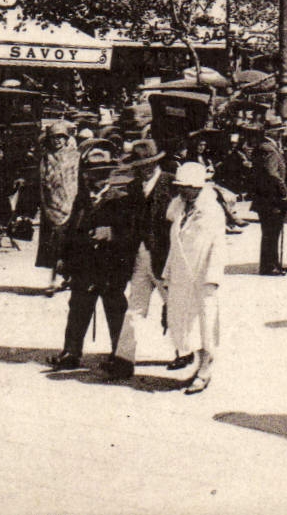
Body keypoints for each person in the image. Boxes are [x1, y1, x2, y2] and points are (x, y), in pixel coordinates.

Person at [48, 156, 133, 371]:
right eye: (92, 173)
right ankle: (71, 352)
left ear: (109, 174)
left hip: (111, 264)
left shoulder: (122, 198)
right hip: (84, 263)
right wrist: (64, 257)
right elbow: (71, 230)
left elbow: (132, 231)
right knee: (78, 306)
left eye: (102, 173)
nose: (95, 178)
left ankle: (120, 355)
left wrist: (112, 233)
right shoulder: (81, 198)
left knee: (115, 308)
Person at [106, 141, 176, 380]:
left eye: (149, 164)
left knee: (176, 306)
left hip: (166, 259)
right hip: (140, 256)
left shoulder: (171, 184)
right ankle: (124, 360)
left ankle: (185, 353)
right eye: (139, 166)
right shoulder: (133, 187)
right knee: (135, 309)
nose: (145, 170)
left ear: (156, 162)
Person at [163, 161, 224, 394]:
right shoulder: (178, 206)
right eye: (179, 186)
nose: (181, 190)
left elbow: (218, 246)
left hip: (203, 275)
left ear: (197, 187)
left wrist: (213, 277)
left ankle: (205, 370)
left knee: (205, 323)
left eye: (186, 186)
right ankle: (198, 366)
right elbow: (174, 242)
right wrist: (168, 271)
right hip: (181, 273)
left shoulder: (212, 210)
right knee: (185, 323)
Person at [36, 121, 80, 290]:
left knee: (71, 243)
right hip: (51, 205)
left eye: (61, 137)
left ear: (66, 139)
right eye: (54, 138)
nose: (57, 141)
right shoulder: (46, 158)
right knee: (54, 244)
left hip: (72, 205)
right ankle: (53, 280)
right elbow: (41, 181)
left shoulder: (75, 156)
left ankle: (69, 276)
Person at [247, 122, 287, 276]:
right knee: (271, 232)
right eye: (279, 131)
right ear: (271, 132)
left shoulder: (267, 147)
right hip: (271, 196)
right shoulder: (268, 148)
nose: (281, 134)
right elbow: (272, 173)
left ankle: (273, 263)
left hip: (266, 196)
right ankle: (269, 266)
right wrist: (284, 190)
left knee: (271, 231)